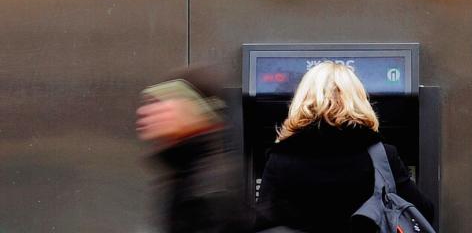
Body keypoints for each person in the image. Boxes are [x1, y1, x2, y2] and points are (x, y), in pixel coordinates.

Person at [254, 61, 434, 232]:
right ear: (358, 100)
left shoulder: (280, 159)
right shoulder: (381, 156)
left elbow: (263, 224)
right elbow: (423, 211)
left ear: (302, 101)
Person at [137, 66, 250, 233]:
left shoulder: (210, 187)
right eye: (148, 102)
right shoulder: (184, 171)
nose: (145, 111)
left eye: (160, 102)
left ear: (195, 108)